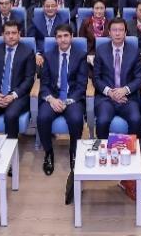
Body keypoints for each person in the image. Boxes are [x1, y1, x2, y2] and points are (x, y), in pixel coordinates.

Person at [37, 23, 88, 175]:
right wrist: (52, 100)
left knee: (76, 119)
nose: (63, 39)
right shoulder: (48, 55)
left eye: (66, 36)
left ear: (72, 37)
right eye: (59, 36)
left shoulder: (80, 55)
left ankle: (74, 152)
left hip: (72, 98)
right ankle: (48, 153)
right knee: (42, 117)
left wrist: (67, 101)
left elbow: (81, 85)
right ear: (55, 39)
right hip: (53, 97)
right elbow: (44, 83)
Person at [0, 21, 35, 139]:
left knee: (11, 116)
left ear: (19, 34)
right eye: (7, 33)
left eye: (14, 33)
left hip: (17, 96)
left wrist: (13, 95)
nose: (11, 36)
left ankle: (11, 147)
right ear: (2, 35)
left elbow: (29, 79)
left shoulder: (28, 52)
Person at [93, 18, 141, 137]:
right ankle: (104, 148)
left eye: (121, 30)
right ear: (109, 33)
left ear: (125, 33)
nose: (117, 33)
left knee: (136, 120)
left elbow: (139, 78)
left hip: (128, 98)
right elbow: (96, 78)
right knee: (102, 121)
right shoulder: (100, 50)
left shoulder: (134, 51)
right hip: (106, 98)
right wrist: (110, 93)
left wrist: (125, 90)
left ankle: (131, 148)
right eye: (114, 30)